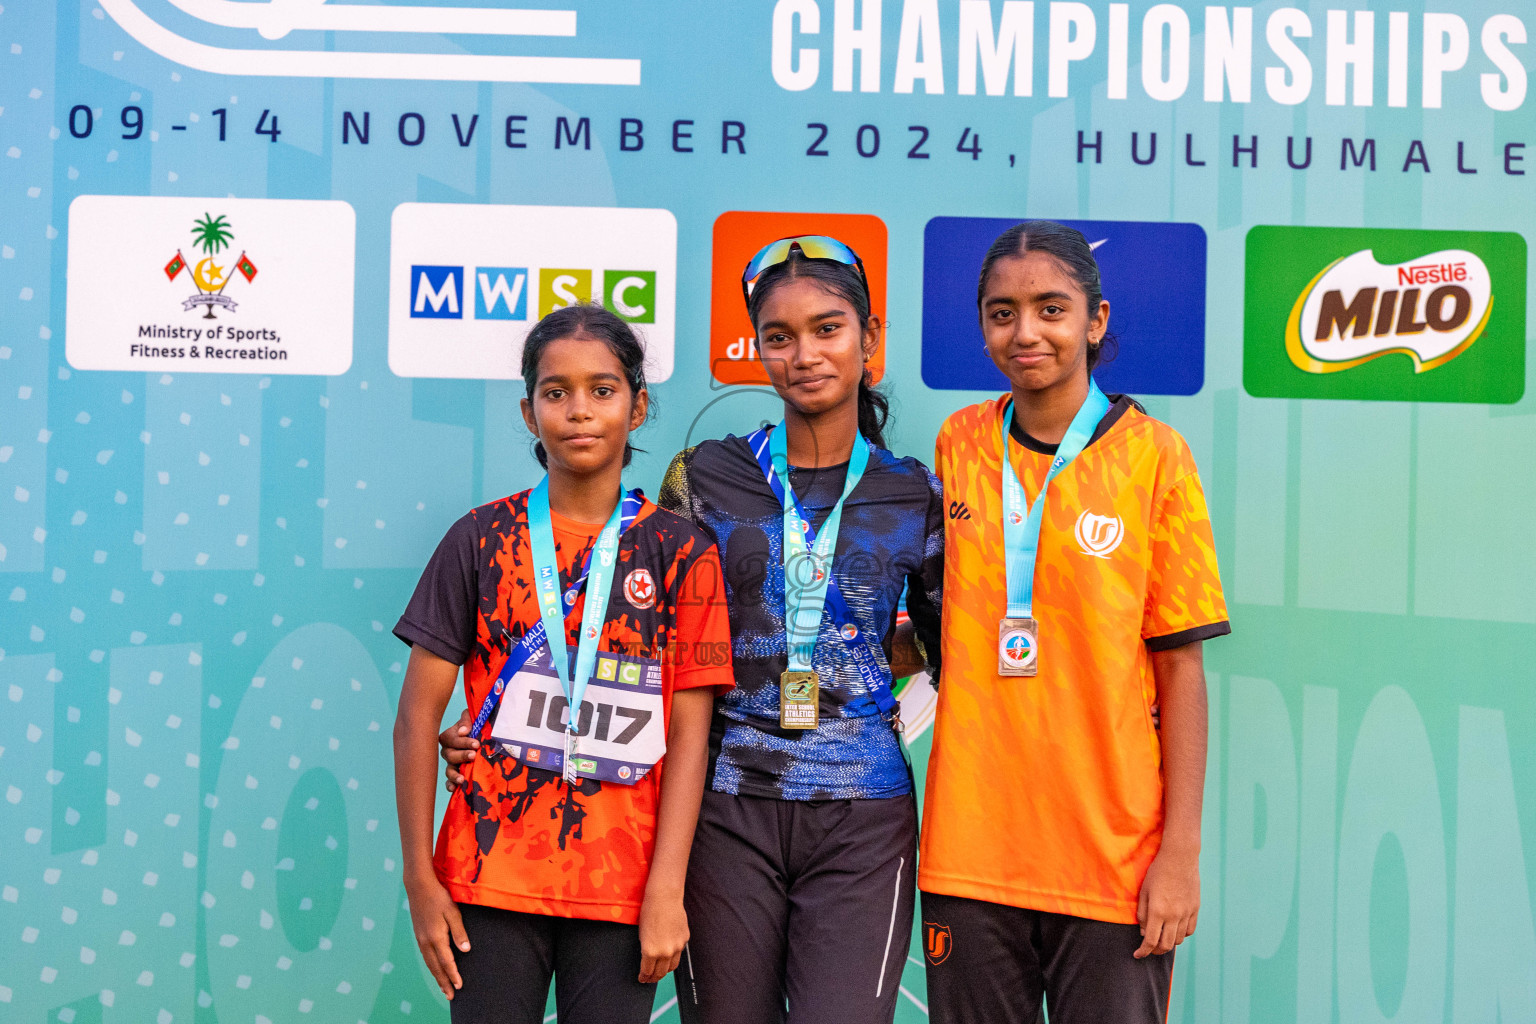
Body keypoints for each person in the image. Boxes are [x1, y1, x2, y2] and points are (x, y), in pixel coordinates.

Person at [443, 235, 943, 1024]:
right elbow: (626, 628)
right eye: (779, 337)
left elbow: (948, 650)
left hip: (864, 813)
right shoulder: (701, 476)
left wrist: (858, 655)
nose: (804, 354)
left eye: (828, 329)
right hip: (725, 808)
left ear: (869, 340)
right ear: (757, 350)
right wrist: (500, 718)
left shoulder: (914, 492)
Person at [918, 220, 1230, 1024]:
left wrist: (1180, 855)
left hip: (1113, 862)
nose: (1025, 332)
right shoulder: (960, 444)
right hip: (969, 855)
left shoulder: (1157, 456)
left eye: (1051, 308)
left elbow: (1180, 670)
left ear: (1095, 321)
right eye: (1001, 312)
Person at [392, 304, 735, 1024]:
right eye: (556, 393)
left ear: (638, 406)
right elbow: (416, 718)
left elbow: (689, 733)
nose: (579, 411)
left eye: (602, 390)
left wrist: (666, 889)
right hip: (487, 881)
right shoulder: (480, 537)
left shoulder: (683, 553)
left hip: (622, 886)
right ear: (528, 411)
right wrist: (420, 879)